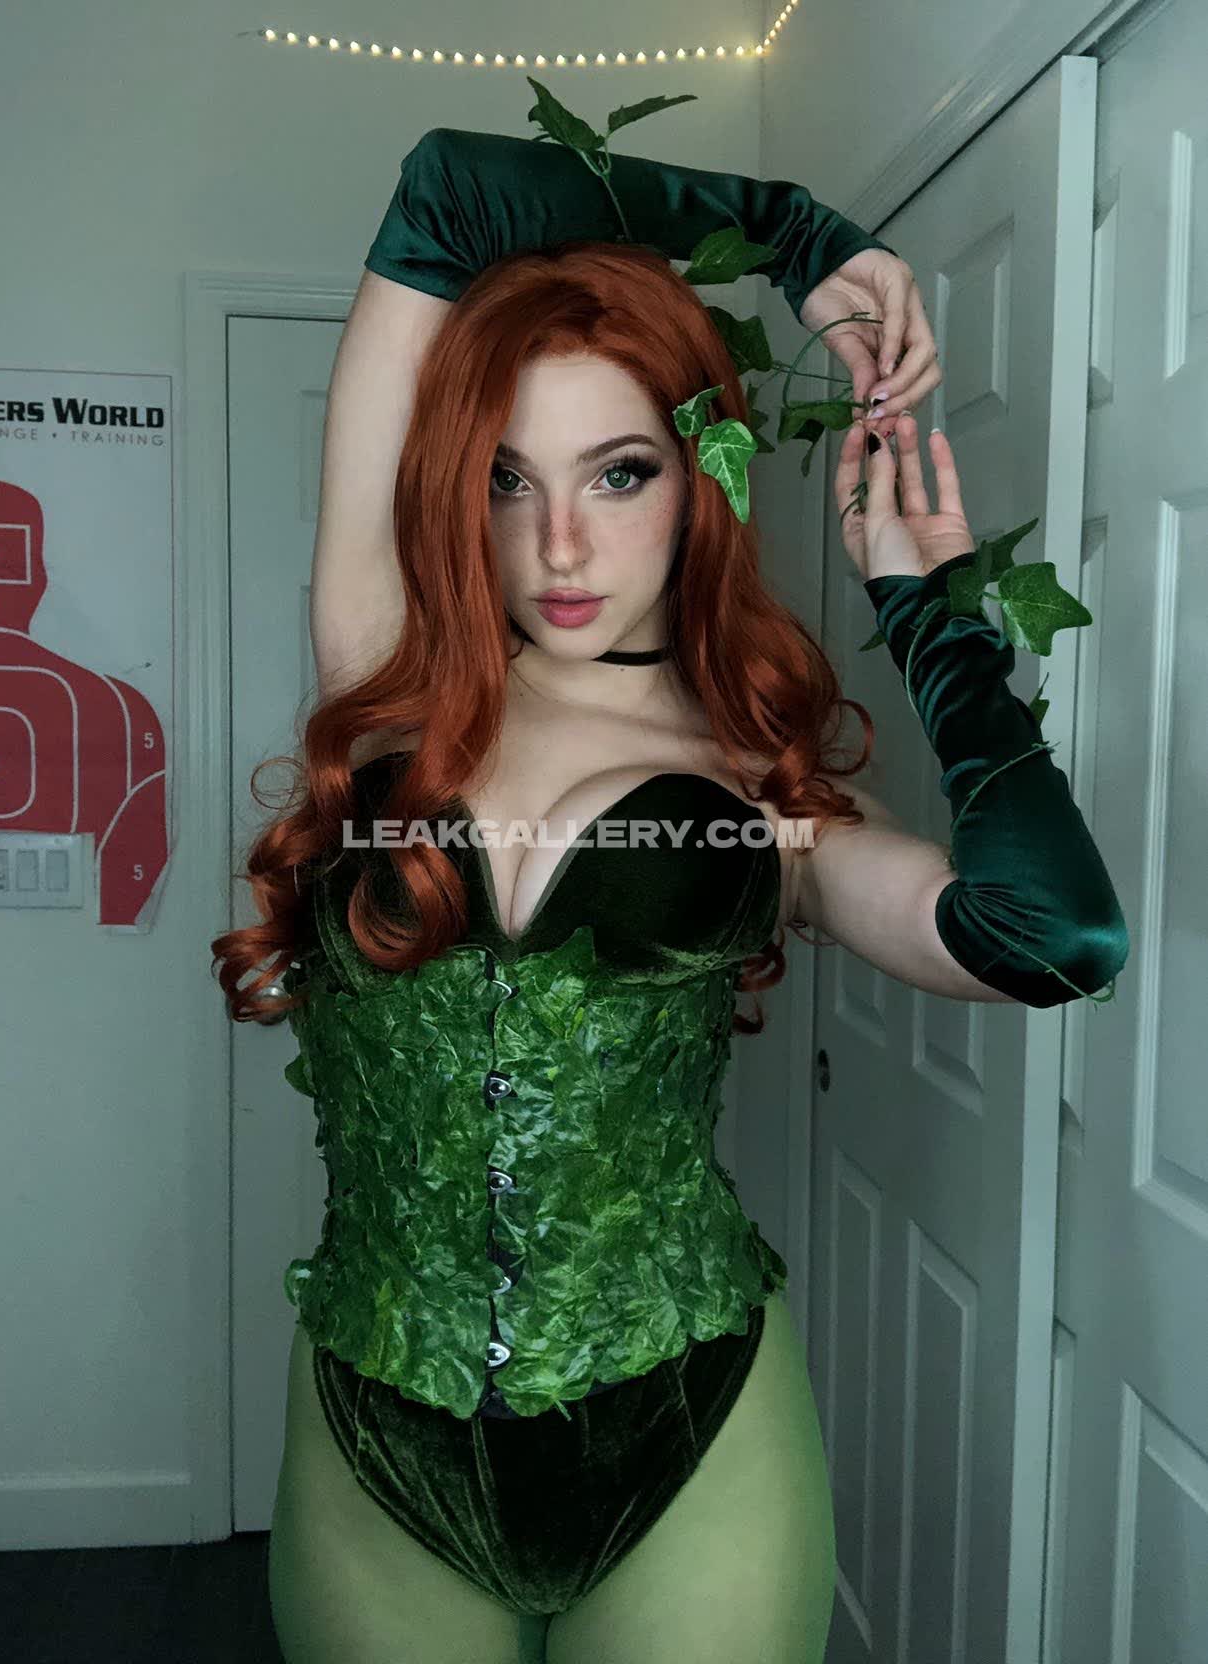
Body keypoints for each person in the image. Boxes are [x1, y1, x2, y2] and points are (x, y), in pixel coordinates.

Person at [211, 128, 1128, 1664]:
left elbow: (1052, 936)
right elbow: (447, 192)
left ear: (701, 481)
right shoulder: (383, 678)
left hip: (688, 1431)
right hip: (375, 1421)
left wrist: (933, 617)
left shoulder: (763, 797)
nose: (560, 543)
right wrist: (792, 235)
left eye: (618, 472)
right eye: (507, 481)